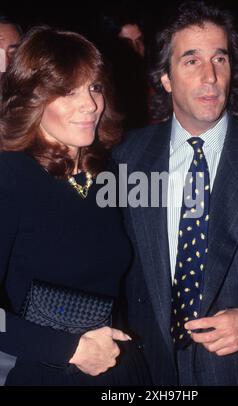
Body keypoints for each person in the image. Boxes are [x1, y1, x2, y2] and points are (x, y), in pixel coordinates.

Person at [113, 1, 238, 385]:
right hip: (154, 374)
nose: (211, 76)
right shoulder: (126, 157)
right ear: (165, 78)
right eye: (191, 60)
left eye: (220, 59)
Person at [0, 26, 150, 386]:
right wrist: (67, 347)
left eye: (94, 87)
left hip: (121, 371)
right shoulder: (10, 175)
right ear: (32, 101)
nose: (90, 105)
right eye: (68, 91)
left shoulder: (107, 173)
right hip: (50, 373)